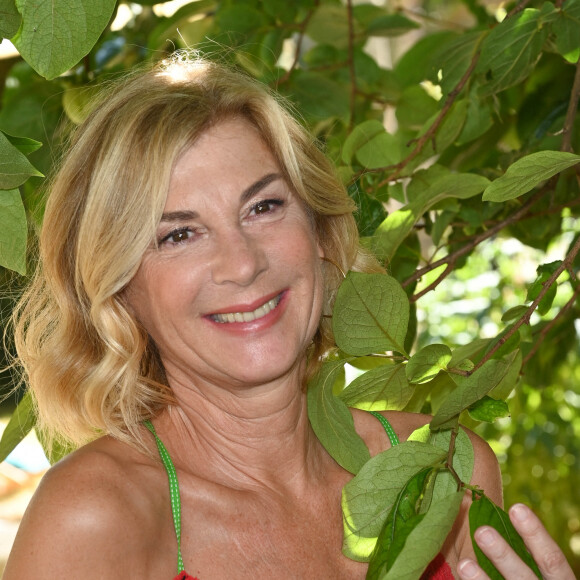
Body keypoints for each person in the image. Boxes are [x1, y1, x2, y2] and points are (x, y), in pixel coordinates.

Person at [3, 54, 574, 580]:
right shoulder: (97, 517)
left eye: (264, 206)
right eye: (178, 234)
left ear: (321, 233)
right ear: (117, 289)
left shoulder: (444, 471)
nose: (243, 263)